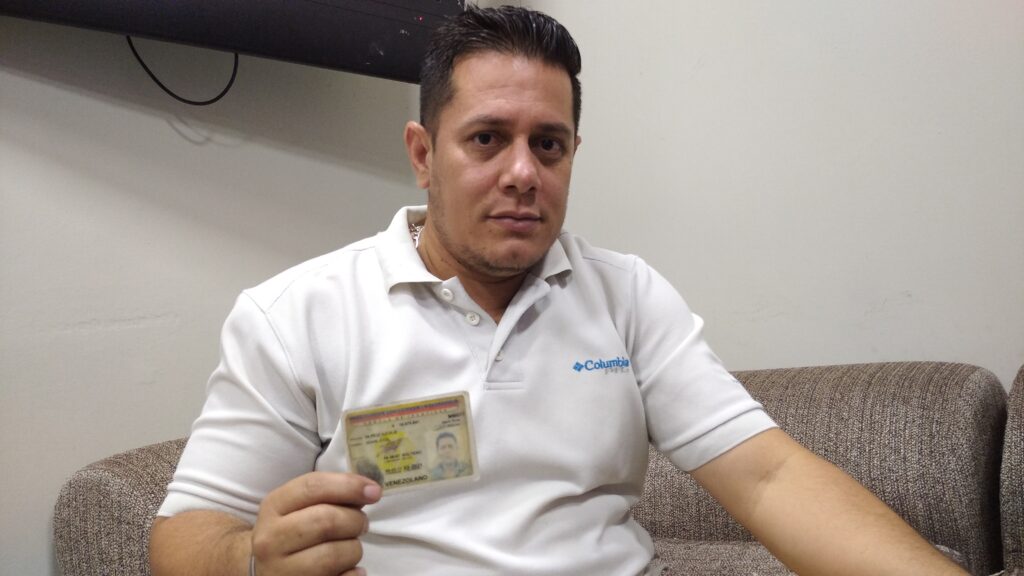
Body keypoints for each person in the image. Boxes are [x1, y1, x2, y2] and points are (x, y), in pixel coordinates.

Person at [150, 6, 968, 576]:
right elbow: (183, 539)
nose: (522, 173)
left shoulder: (626, 296)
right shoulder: (296, 316)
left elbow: (770, 478)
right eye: (487, 139)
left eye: (548, 145)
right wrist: (251, 558)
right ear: (424, 154)